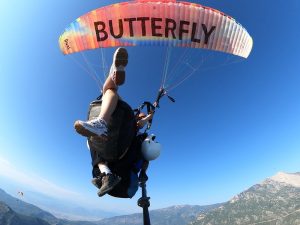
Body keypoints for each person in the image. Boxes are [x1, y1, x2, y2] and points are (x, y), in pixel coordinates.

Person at [74, 47, 153, 197]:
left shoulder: (135, 126)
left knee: (109, 91)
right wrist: (144, 173)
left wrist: (147, 117)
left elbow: (141, 123)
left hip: (117, 154)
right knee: (109, 93)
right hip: (117, 165)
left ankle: (101, 121)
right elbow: (146, 158)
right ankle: (106, 173)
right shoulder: (135, 128)